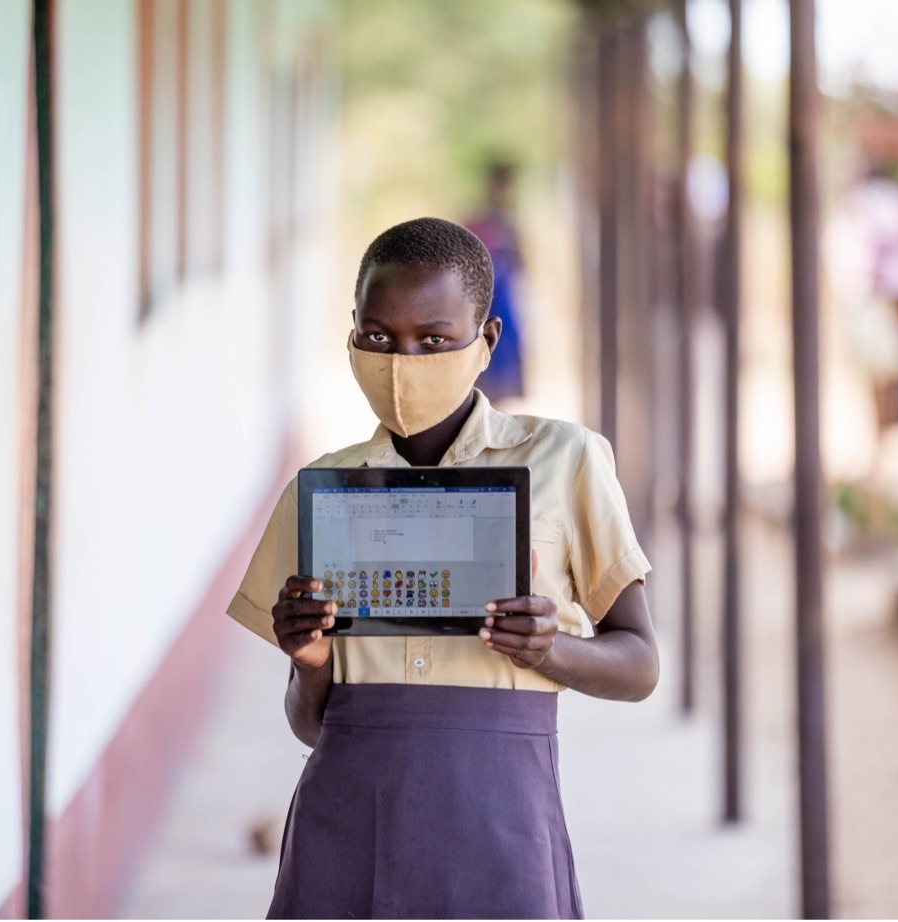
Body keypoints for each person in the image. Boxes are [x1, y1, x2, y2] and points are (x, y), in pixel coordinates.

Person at [226, 217, 660, 920]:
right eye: (378, 337)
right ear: (352, 336)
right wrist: (309, 661)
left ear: (486, 340)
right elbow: (311, 726)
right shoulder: (325, 489)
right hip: (346, 822)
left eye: (433, 339)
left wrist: (552, 651)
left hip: (503, 822)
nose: (402, 361)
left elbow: (641, 665)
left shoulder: (565, 460)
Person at [465, 161, 527, 401]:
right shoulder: (481, 221)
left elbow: (519, 263)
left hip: (501, 297)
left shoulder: (508, 223)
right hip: (485, 297)